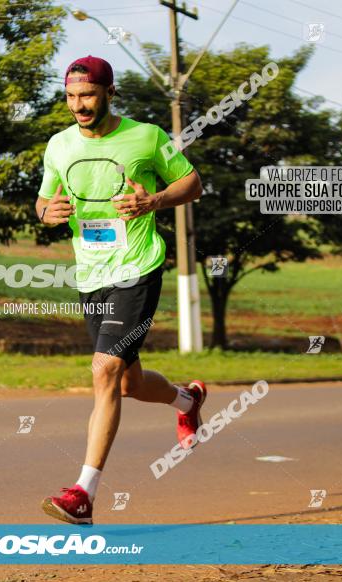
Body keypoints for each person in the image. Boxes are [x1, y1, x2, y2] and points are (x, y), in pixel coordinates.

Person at [36, 56, 206, 525]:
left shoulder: (147, 136)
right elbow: (44, 199)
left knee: (104, 370)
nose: (78, 105)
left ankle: (83, 495)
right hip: (91, 274)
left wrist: (154, 200)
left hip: (137, 267)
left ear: (110, 93)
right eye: (71, 97)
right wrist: (45, 213)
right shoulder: (58, 145)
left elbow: (192, 182)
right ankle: (187, 399)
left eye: (87, 95)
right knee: (127, 382)